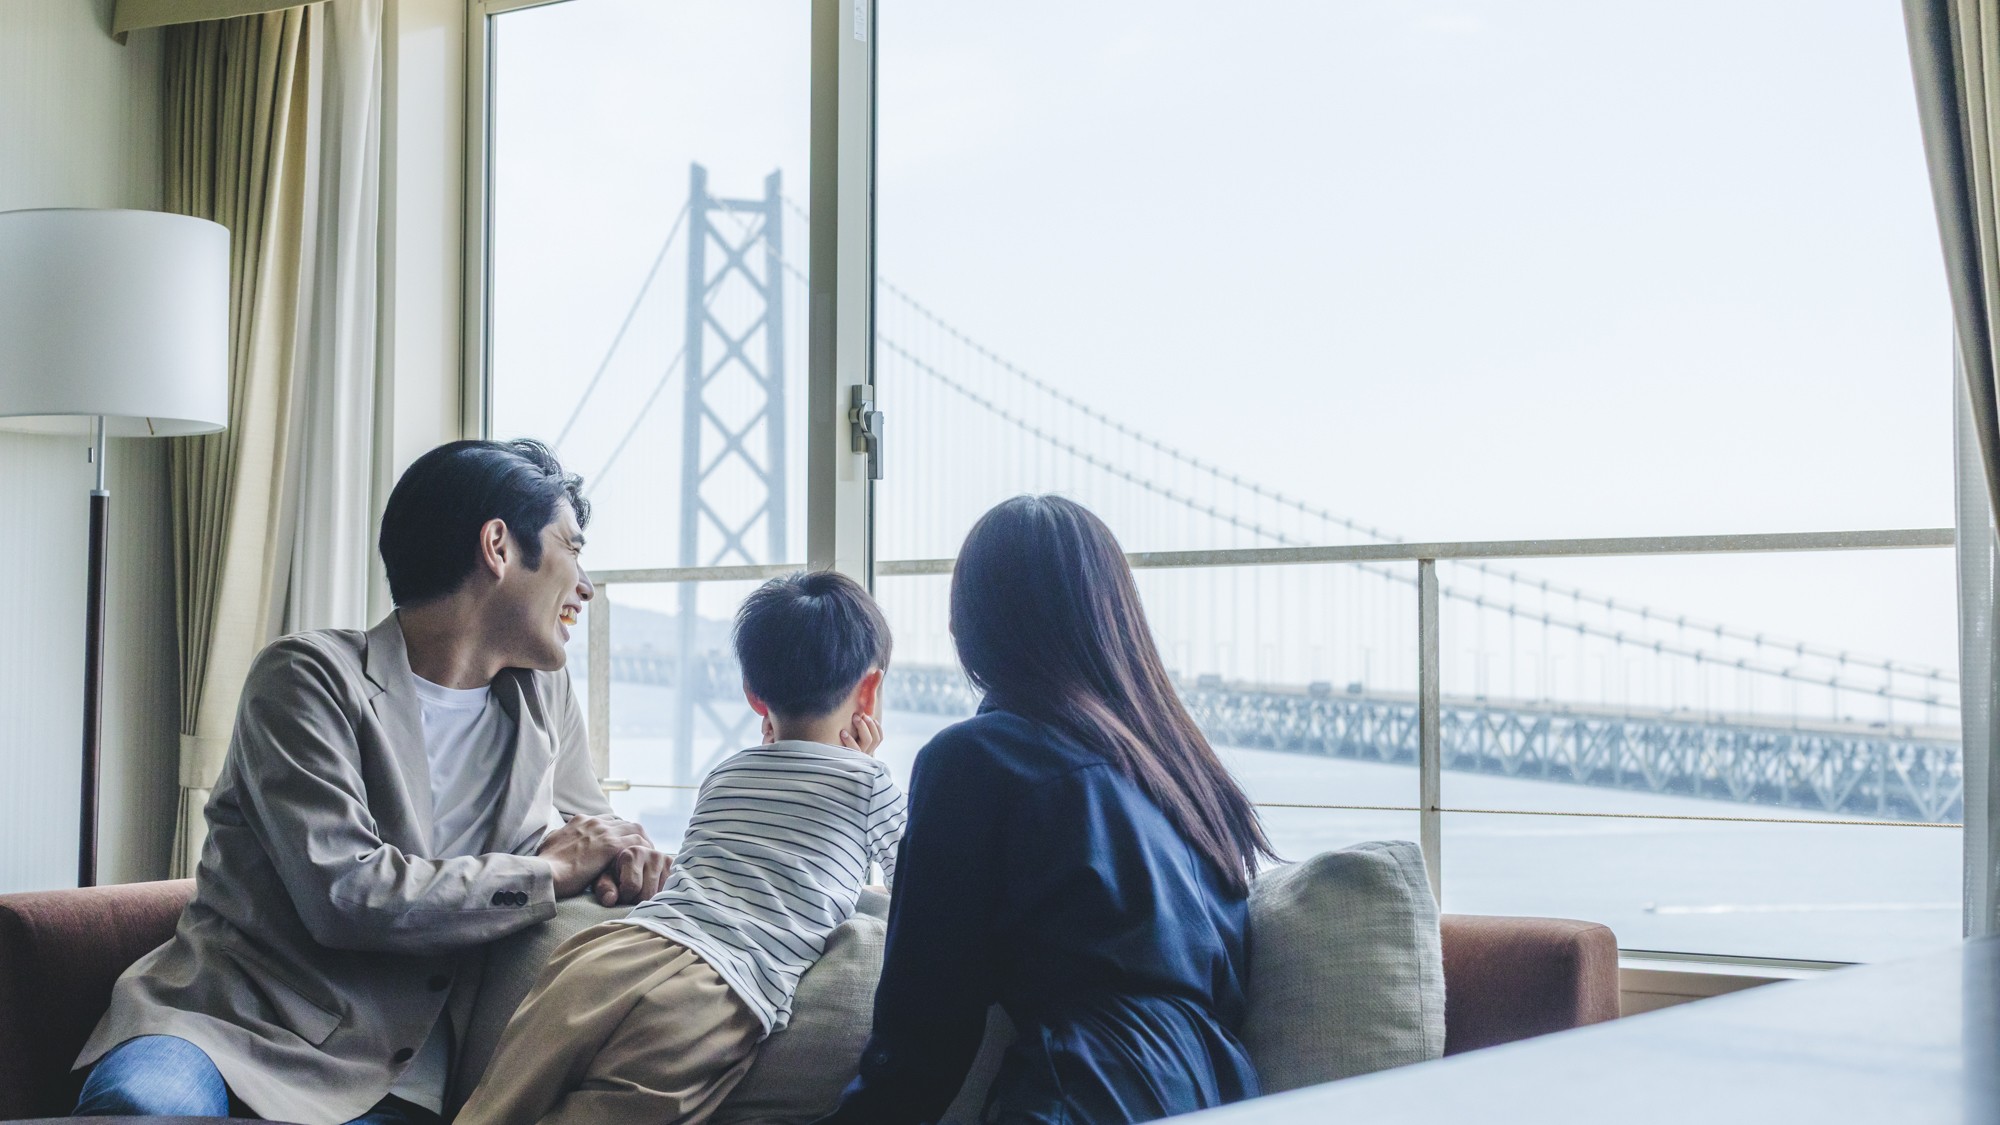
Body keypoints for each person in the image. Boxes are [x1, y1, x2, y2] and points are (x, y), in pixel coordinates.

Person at [72, 439, 673, 1125]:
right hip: (224, 1024)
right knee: (142, 1108)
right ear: (498, 547)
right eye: (573, 546)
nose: (586, 583)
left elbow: (592, 830)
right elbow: (346, 893)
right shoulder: (307, 677)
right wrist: (545, 873)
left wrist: (634, 857)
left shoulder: (545, 695)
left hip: (388, 1070)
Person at [816, 495, 1277, 1125]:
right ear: (1116, 618)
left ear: (971, 627)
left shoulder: (976, 759)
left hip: (1092, 1092)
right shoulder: (1188, 779)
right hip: (1229, 1092)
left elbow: (925, 1028)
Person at [455, 570, 906, 1125]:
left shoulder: (724, 773)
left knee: (492, 1107)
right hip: (715, 986)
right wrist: (866, 767)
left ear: (753, 696)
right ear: (870, 689)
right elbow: (912, 884)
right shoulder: (870, 784)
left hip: (613, 949)